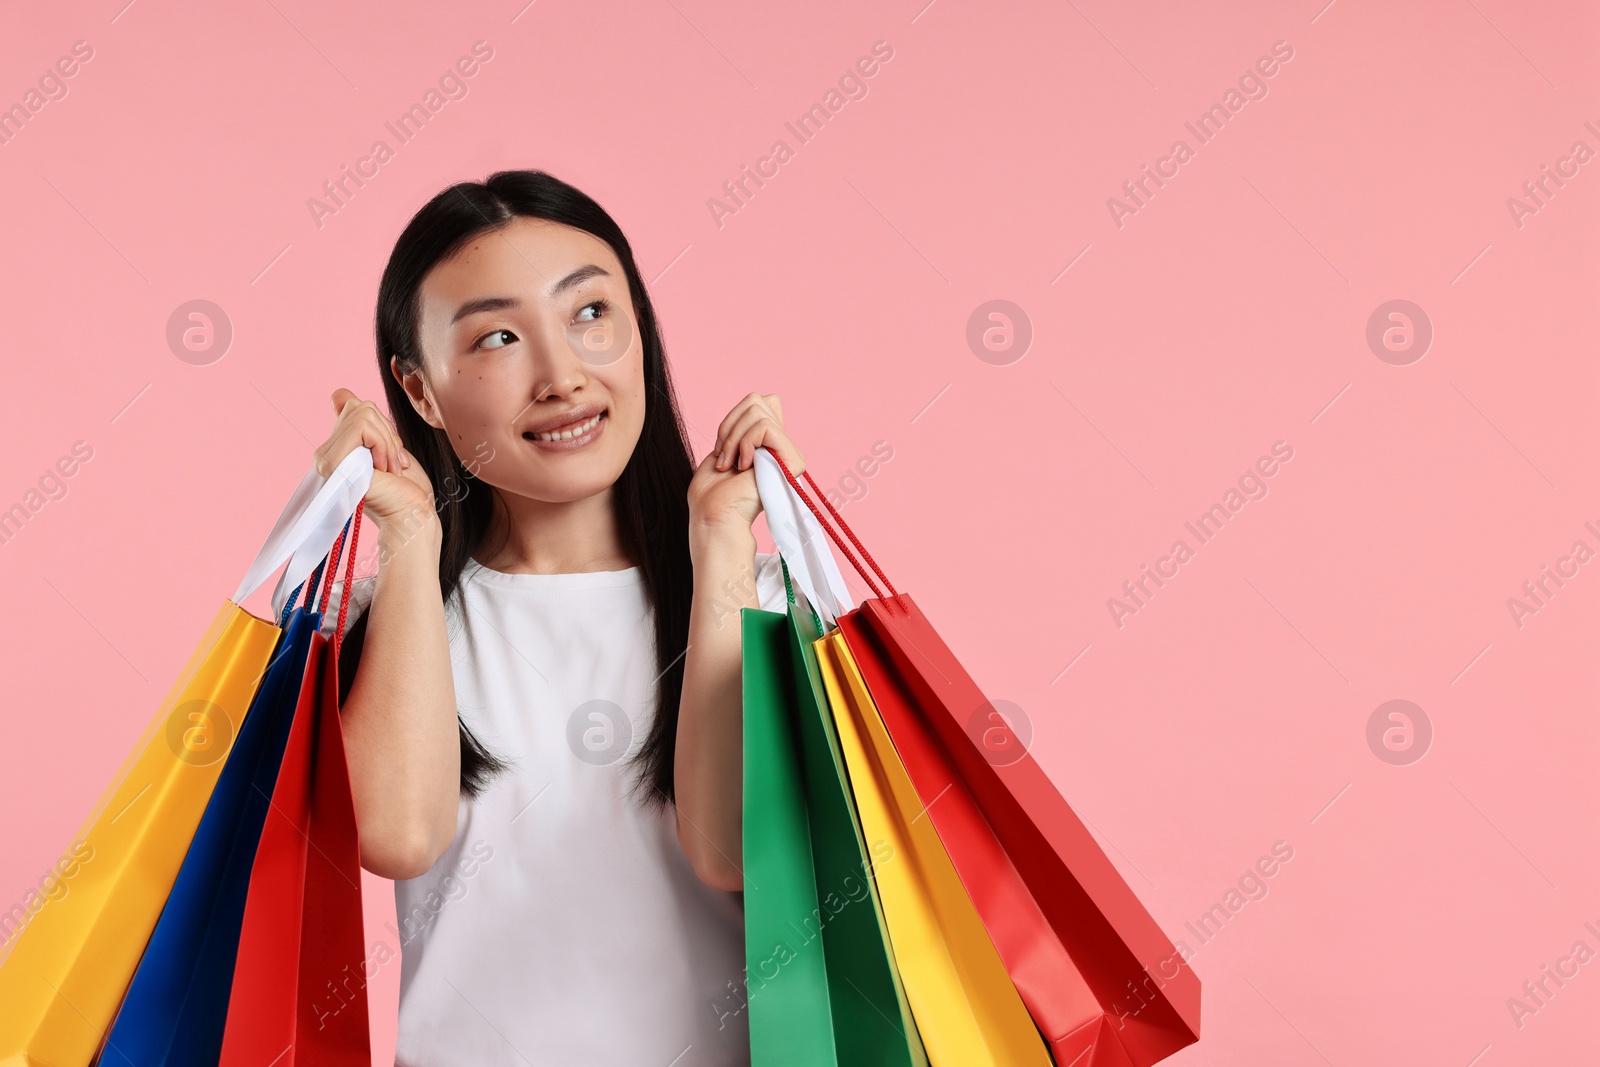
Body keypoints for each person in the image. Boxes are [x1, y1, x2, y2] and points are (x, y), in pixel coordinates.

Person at [310, 169, 803, 1065]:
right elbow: (397, 833)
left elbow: (733, 854)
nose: (563, 375)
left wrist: (722, 547)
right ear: (418, 393)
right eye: (498, 335)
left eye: (589, 314)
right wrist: (409, 542)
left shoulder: (759, 602)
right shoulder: (382, 612)